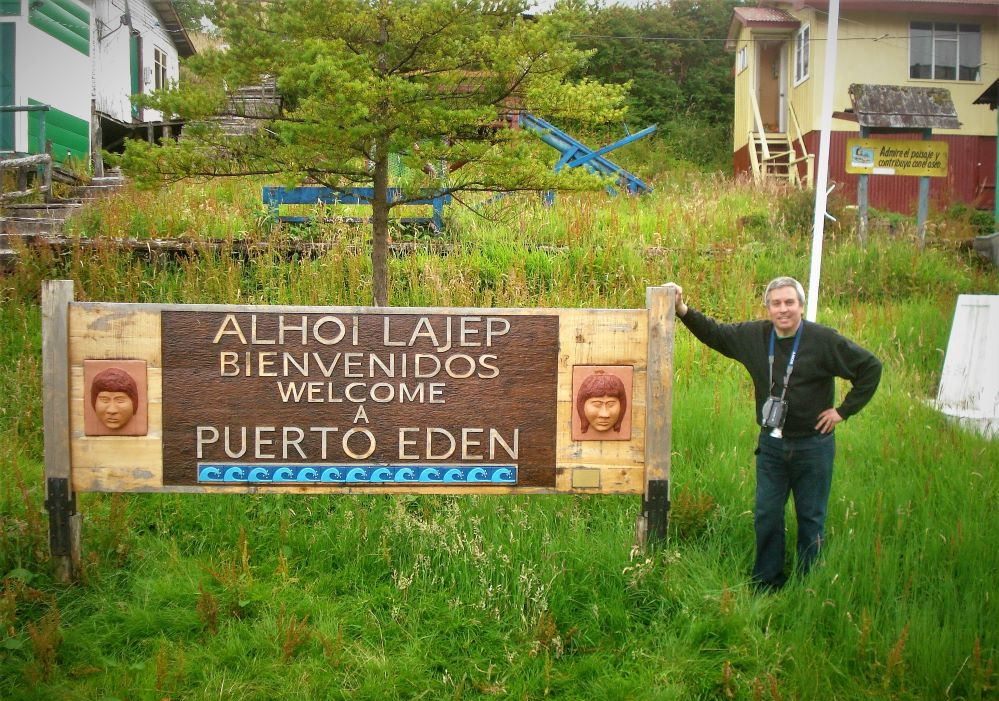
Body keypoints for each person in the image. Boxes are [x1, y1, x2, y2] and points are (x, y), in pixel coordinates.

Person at [666, 277, 882, 591]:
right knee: (767, 514)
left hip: (813, 446)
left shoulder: (823, 341)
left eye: (789, 303)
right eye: (776, 303)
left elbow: (870, 368)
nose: (783, 309)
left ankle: (809, 584)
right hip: (772, 445)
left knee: (810, 518)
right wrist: (681, 309)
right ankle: (767, 583)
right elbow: (716, 333)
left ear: (801, 306)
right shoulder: (755, 336)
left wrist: (842, 411)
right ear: (767, 307)